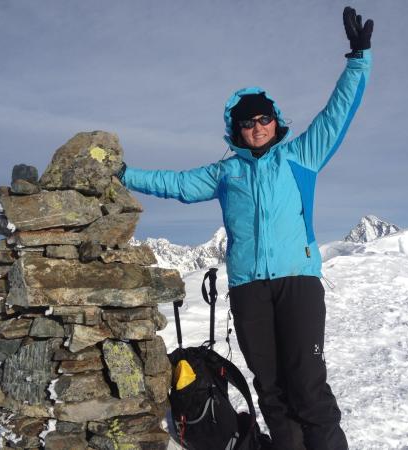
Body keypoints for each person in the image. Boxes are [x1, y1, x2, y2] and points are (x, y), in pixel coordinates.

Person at [116, 7, 373, 449]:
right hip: (249, 288)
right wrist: (123, 175)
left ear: (276, 121)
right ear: (236, 129)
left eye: (264, 119)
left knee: (307, 386)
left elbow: (336, 115)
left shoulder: (301, 157)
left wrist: (358, 60)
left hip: (297, 282)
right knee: (271, 390)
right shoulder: (225, 173)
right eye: (248, 122)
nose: (257, 127)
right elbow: (175, 183)